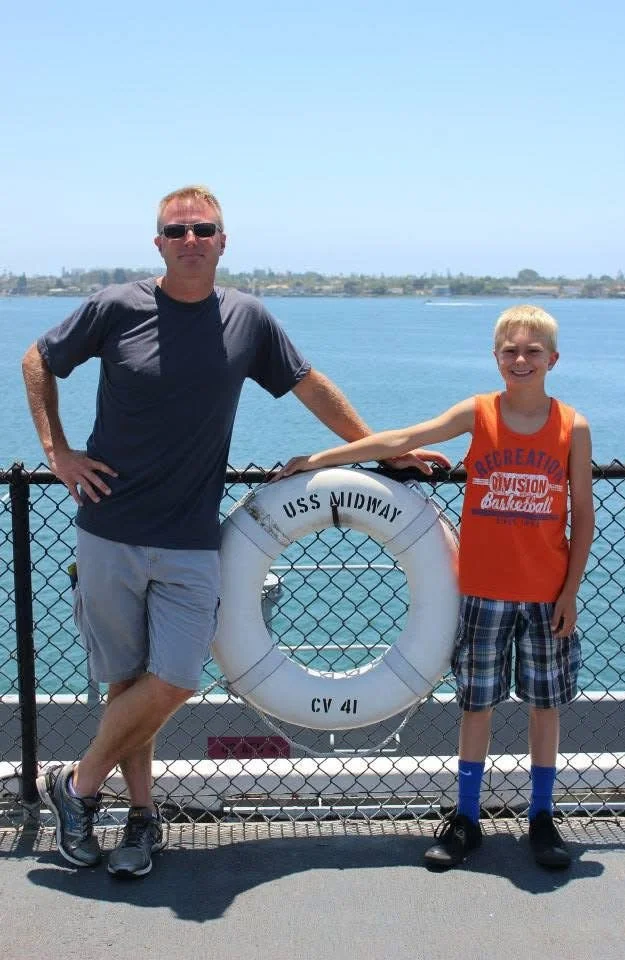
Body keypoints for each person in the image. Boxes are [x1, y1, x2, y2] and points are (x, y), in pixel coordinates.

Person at [22, 185, 448, 877]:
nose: (190, 240)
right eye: (177, 230)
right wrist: (56, 452)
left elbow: (309, 385)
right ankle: (140, 819)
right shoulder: (116, 306)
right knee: (127, 683)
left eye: (203, 229)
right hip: (110, 529)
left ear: (223, 242)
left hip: (190, 537)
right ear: (158, 243)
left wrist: (381, 450)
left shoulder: (247, 318)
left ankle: (76, 785)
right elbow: (38, 359)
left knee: (175, 679)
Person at [275, 304, 595, 871]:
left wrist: (569, 592)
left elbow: (584, 516)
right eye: (511, 351)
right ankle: (466, 818)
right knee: (477, 705)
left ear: (553, 359)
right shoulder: (479, 412)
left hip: (547, 594)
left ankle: (542, 818)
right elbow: (403, 437)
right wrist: (319, 458)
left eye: (532, 352)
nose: (521, 360)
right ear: (496, 357)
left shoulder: (574, 426)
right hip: (483, 592)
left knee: (544, 708)